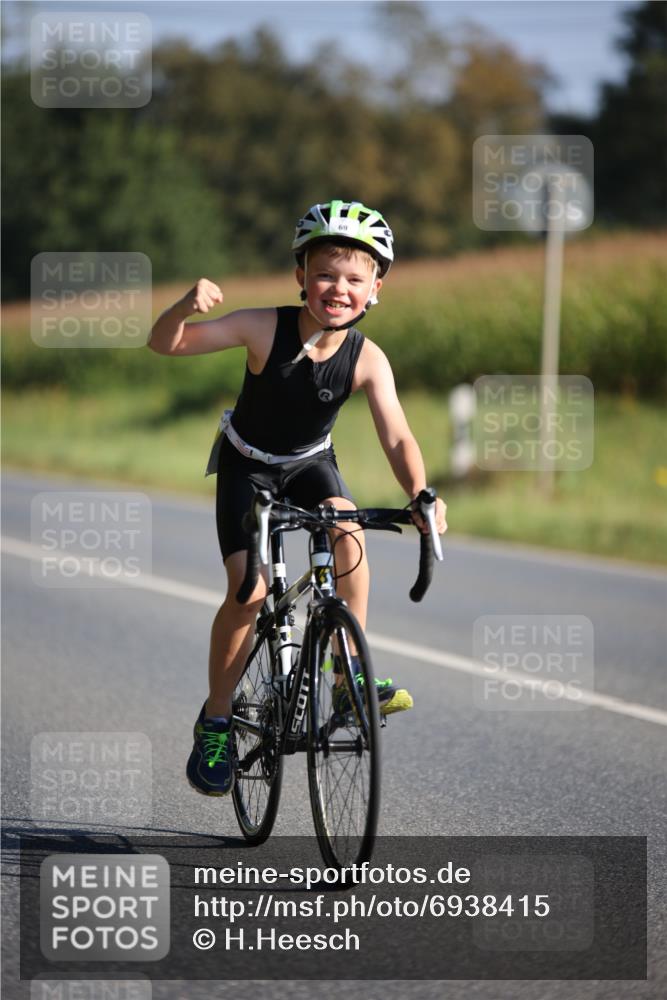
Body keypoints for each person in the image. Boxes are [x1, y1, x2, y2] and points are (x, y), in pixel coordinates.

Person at [148, 199, 448, 796]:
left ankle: (346, 677)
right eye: (325, 275)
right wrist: (184, 305)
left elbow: (397, 433)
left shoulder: (367, 357)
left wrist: (420, 493)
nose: (339, 288)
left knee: (348, 531)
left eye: (355, 280)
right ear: (301, 279)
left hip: (311, 464)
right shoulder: (264, 327)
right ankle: (215, 720)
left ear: (375, 289)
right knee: (250, 590)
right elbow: (167, 344)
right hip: (247, 466)